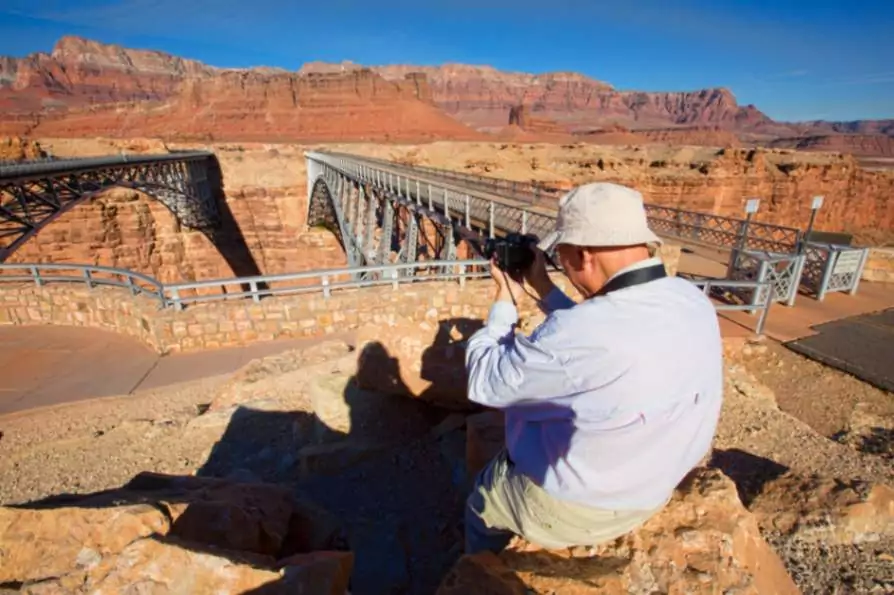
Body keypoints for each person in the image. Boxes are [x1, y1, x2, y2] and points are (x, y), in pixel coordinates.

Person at [463, 182, 724, 554]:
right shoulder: (690, 298)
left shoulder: (581, 333)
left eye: (562, 255)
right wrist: (543, 287)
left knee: (481, 507)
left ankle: (480, 571)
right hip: (653, 487)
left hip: (580, 508)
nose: (561, 265)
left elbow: (485, 382)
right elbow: (604, 339)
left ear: (584, 256)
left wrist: (504, 301)